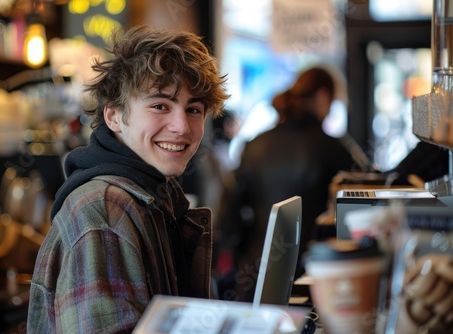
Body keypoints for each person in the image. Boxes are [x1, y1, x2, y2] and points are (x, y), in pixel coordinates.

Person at [27, 24, 229, 333]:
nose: (182, 127)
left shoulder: (151, 195)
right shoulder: (105, 210)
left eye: (194, 109)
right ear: (114, 116)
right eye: (160, 105)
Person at [217, 66, 358, 302]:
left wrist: (237, 258)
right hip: (314, 271)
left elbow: (229, 215)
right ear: (323, 97)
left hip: (256, 272)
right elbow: (363, 201)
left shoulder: (254, 145)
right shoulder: (333, 148)